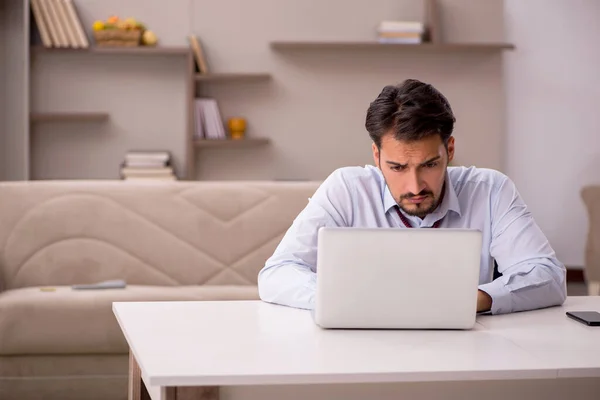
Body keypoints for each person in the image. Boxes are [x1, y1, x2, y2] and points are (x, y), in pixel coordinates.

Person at [257, 79, 566, 315]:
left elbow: (548, 277)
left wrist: (468, 300)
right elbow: (278, 273)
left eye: (429, 165)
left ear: (450, 150)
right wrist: (338, 299)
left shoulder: (490, 189)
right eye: (398, 167)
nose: (415, 186)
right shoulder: (346, 189)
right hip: (358, 351)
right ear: (377, 156)